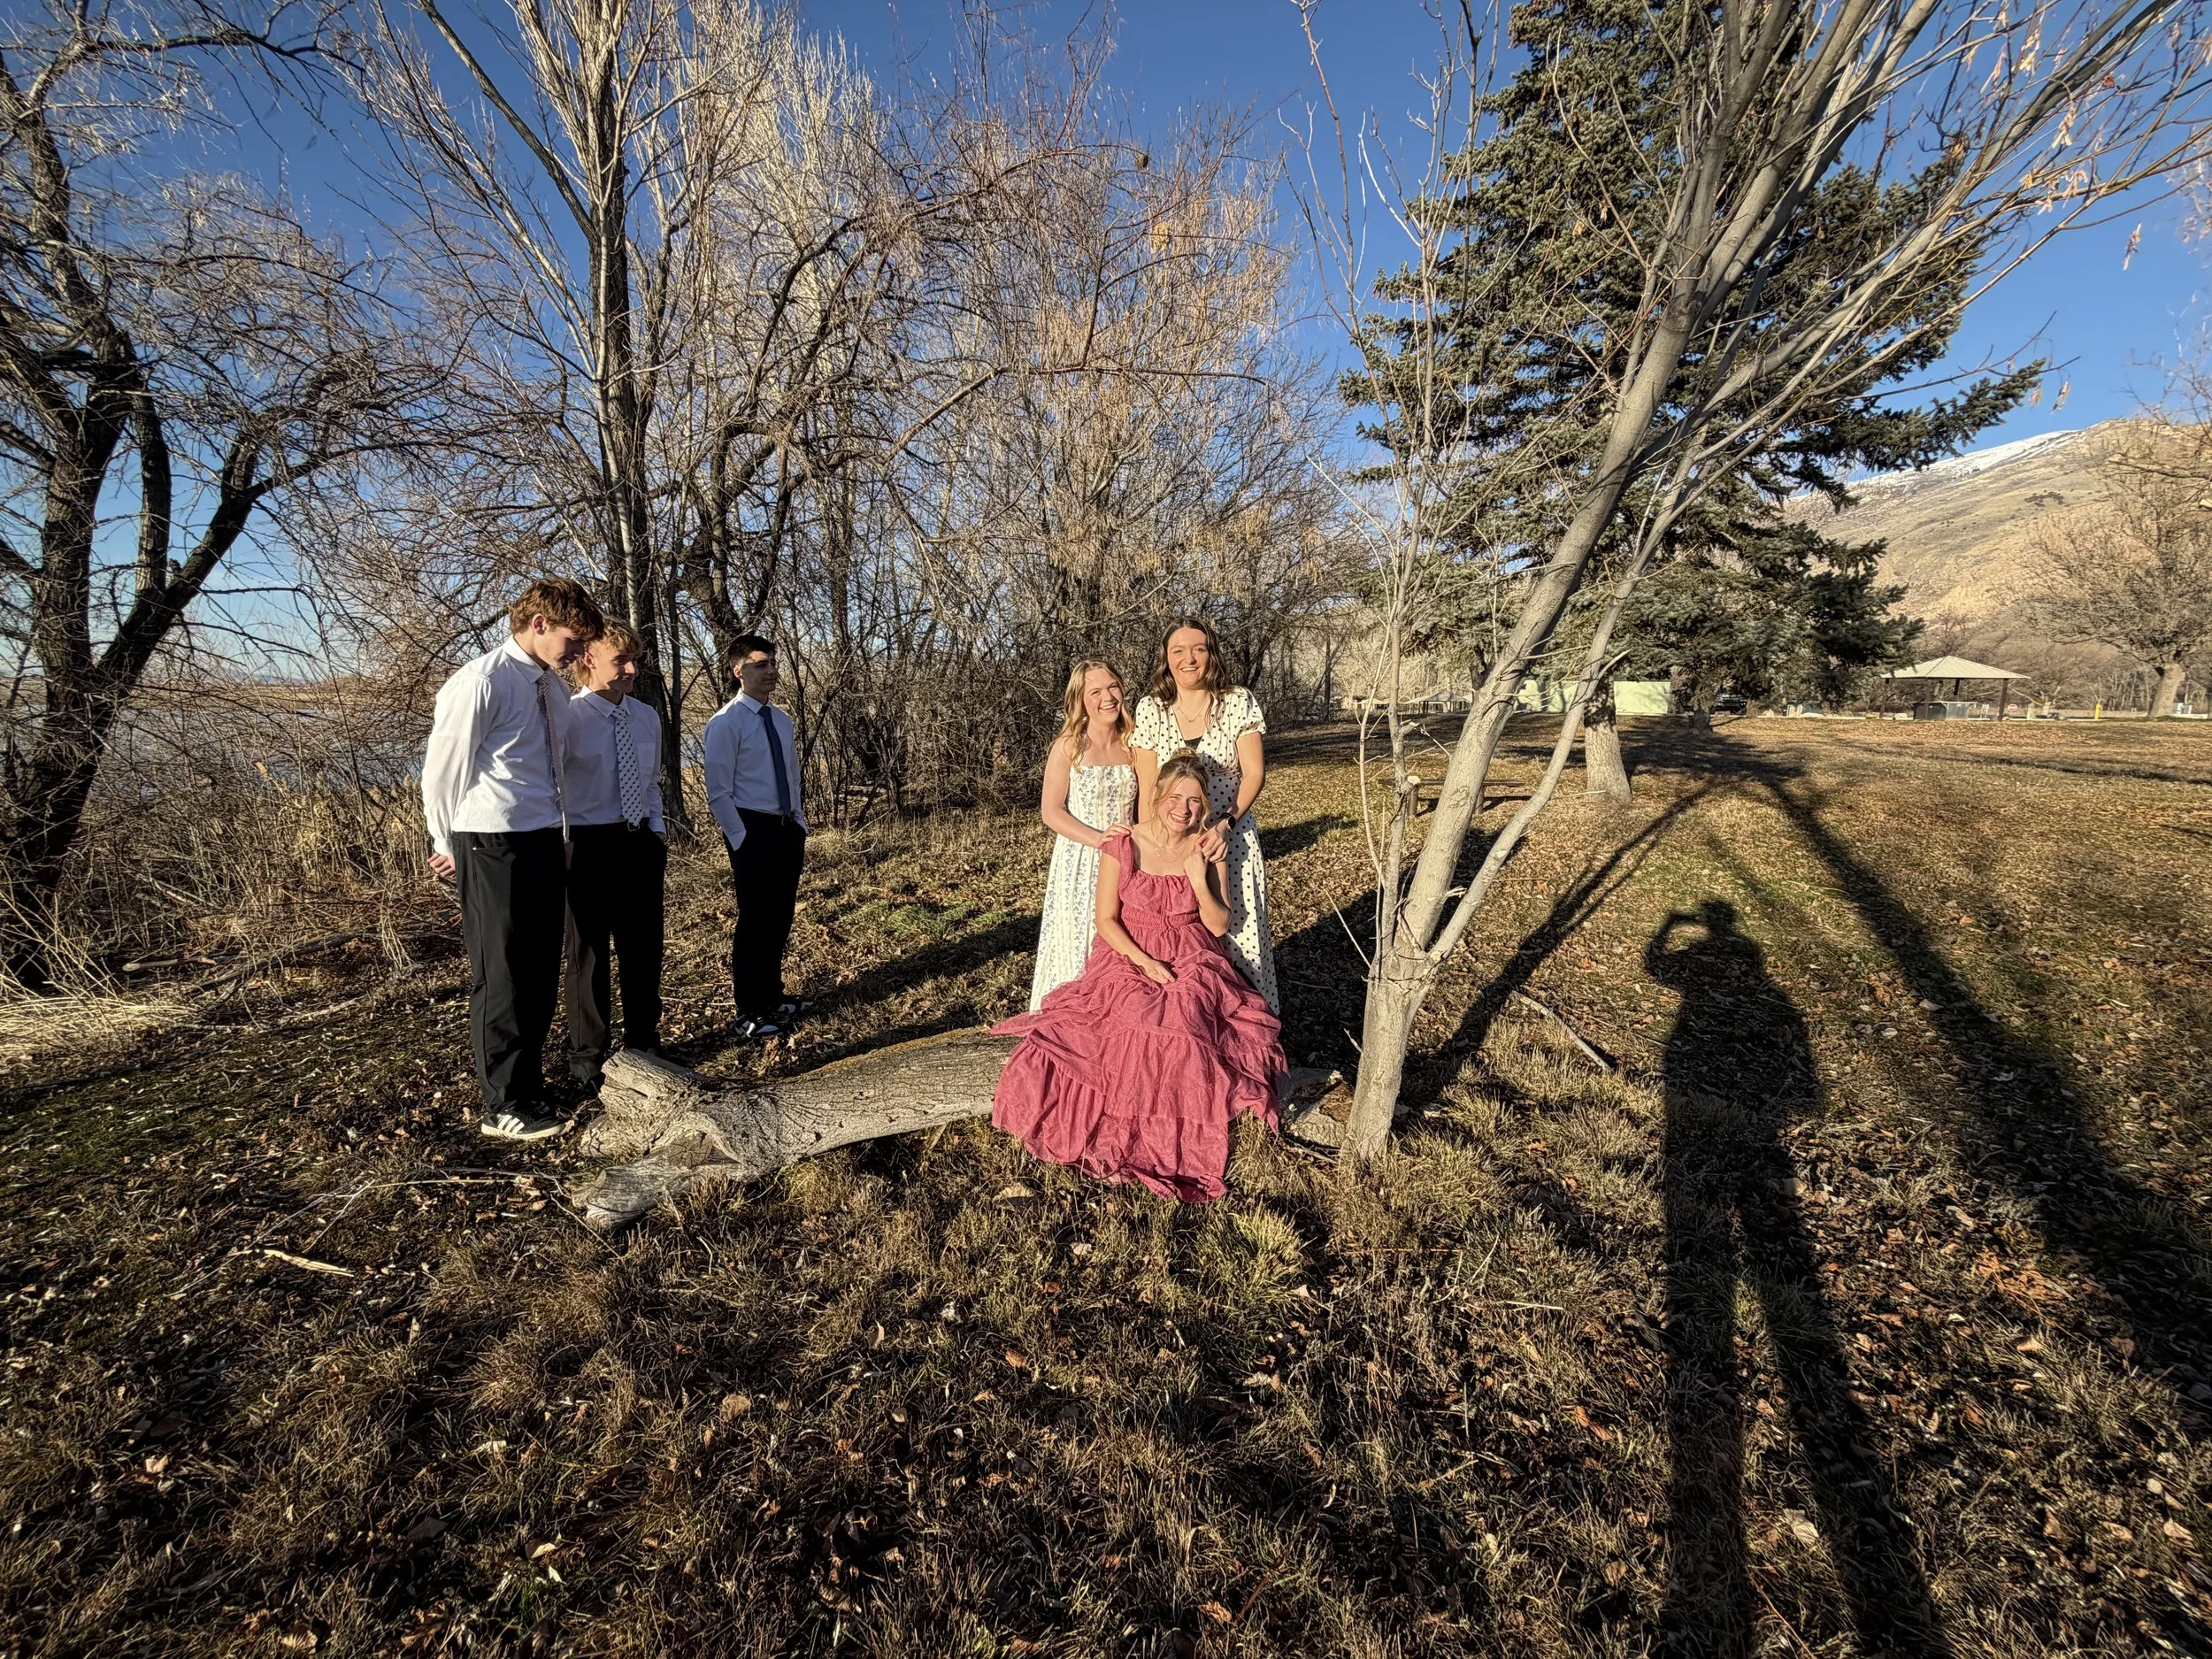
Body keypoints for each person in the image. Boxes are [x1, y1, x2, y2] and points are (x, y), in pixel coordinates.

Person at [991, 754, 1286, 1202]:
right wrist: (1143, 962)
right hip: (1127, 949)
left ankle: (1168, 1143)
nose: (1183, 808)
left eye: (1194, 800)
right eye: (1175, 797)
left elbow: (1221, 925)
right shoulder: (1124, 843)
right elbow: (1106, 919)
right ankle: (1117, 1140)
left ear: (1205, 804)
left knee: (1187, 1017)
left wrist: (1200, 880)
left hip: (1192, 950)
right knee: (1129, 1015)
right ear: (1157, 796)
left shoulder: (1207, 847)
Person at [422, 576, 604, 1141]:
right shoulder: (479, 681)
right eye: (575, 639)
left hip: (546, 839)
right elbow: (442, 770)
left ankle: (530, 1086)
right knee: (501, 973)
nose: (579, 652)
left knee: (540, 967)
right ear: (540, 624)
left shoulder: (550, 687)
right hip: (491, 841)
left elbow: (556, 762)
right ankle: (500, 1102)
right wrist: (443, 840)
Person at [1129, 615, 1277, 1011]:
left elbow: (1255, 772)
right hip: (1173, 843)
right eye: (1178, 650)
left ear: (1211, 653)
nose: (1189, 658)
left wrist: (1226, 823)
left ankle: (1252, 1031)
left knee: (1239, 932)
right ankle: (1190, 1026)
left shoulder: (1237, 701)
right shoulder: (1150, 709)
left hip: (1231, 836)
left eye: (1198, 648)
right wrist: (1149, 850)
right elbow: (1147, 789)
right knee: (1183, 936)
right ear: (1166, 658)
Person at [560, 621, 665, 1091]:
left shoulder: (645, 716)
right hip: (587, 845)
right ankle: (588, 1056)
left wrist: (656, 832)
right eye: (619, 660)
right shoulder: (567, 717)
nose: (630, 670)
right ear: (588, 660)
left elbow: (651, 782)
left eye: (634, 661)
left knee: (643, 947)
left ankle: (645, 1042)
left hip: (638, 842)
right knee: (588, 953)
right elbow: (554, 788)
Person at [702, 634, 808, 1040]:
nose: (770, 671)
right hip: (752, 829)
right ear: (738, 670)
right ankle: (748, 1008)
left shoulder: (780, 720)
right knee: (754, 920)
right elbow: (719, 791)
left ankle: (772, 995)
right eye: (760, 664)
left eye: (772, 664)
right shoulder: (726, 723)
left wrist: (798, 821)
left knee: (779, 916)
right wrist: (740, 837)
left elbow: (792, 776)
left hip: (785, 827)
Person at [1026, 659, 1138, 1010]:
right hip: (1081, 857)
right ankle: (1071, 1015)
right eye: (1096, 691)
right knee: (1081, 937)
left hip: (1127, 857)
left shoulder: (1134, 743)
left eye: (1112, 687)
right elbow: (1052, 811)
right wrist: (1097, 839)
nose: (1107, 697)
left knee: (1122, 936)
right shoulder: (1068, 746)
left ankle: (1114, 1014)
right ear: (1080, 700)